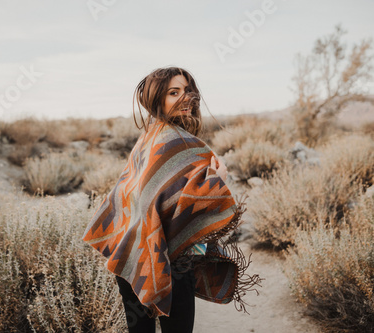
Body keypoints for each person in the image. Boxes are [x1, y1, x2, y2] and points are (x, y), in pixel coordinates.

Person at [82, 67, 261, 333]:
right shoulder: (175, 143)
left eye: (188, 90)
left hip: (133, 255)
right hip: (171, 262)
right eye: (174, 92)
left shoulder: (150, 137)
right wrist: (218, 179)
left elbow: (147, 199)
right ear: (157, 99)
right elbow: (184, 205)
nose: (185, 97)